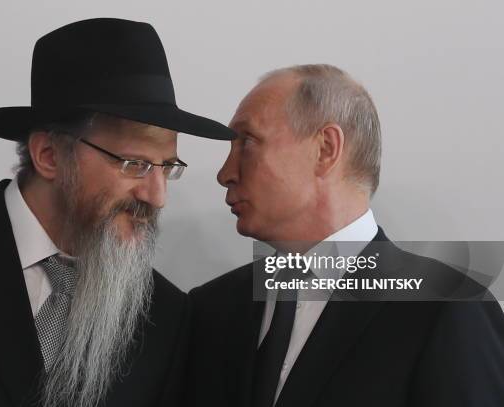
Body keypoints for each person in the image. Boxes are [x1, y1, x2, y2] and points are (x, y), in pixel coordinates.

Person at [0, 18, 234, 407]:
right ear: (49, 156)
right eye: (134, 164)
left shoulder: (164, 316)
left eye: (167, 167)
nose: (157, 197)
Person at [187, 64, 504, 406]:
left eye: (247, 142)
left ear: (325, 149)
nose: (225, 173)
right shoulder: (210, 309)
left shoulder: (447, 309)